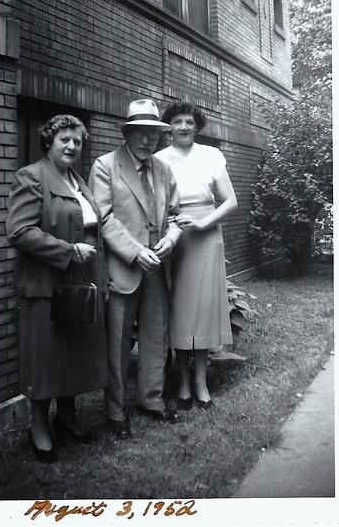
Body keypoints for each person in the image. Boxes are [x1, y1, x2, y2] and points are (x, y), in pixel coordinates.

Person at [6, 115, 108, 462]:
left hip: (79, 285)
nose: (71, 146)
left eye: (77, 141)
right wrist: (67, 251)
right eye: (64, 139)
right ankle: (38, 426)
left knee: (72, 354)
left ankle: (66, 418)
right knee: (45, 360)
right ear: (48, 141)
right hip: (46, 288)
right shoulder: (32, 177)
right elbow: (19, 231)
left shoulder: (77, 181)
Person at [89, 98, 182, 439]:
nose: (147, 141)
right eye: (140, 133)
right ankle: (115, 413)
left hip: (158, 266)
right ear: (127, 133)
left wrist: (171, 238)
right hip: (124, 268)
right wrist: (134, 252)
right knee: (116, 342)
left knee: (156, 336)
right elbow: (103, 217)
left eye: (153, 134)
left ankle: (152, 401)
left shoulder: (164, 169)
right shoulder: (104, 166)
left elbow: (175, 215)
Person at [155, 101, 237, 410]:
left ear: (197, 126)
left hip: (206, 235)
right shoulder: (159, 159)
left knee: (202, 310)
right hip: (174, 238)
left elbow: (230, 201)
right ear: (169, 127)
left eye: (189, 121)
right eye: (177, 121)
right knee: (180, 310)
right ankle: (184, 382)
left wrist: (204, 222)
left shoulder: (211, 155)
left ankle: (201, 381)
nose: (184, 127)